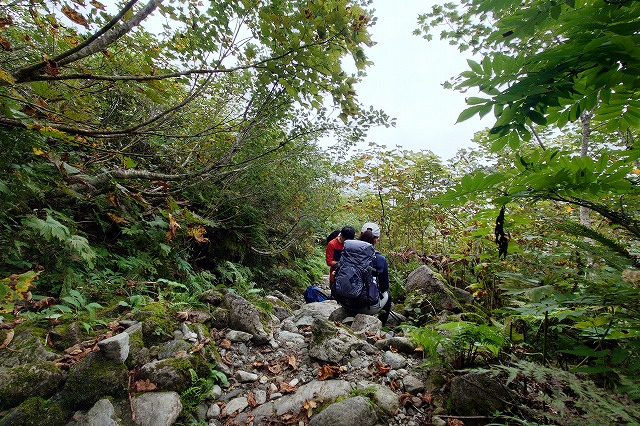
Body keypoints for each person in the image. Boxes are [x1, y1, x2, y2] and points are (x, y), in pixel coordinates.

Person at [334, 222, 392, 326]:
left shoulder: (347, 251)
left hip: (342, 300)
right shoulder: (379, 259)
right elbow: (384, 287)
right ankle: (381, 326)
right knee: (388, 295)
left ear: (360, 235)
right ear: (376, 239)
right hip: (364, 306)